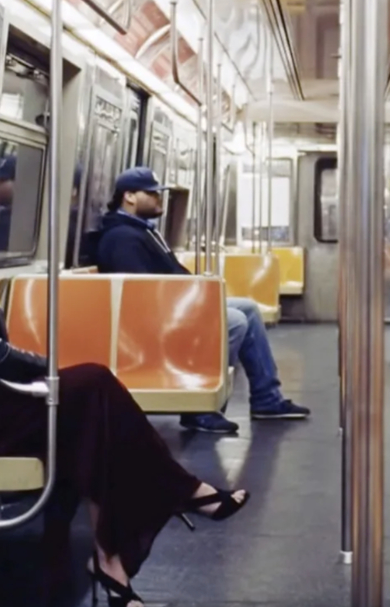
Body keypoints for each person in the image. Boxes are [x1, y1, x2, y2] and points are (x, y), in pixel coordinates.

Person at [0, 168, 249, 607]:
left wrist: (45, 374)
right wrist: (49, 370)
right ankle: (181, 494)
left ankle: (113, 563)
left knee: (92, 425)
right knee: (93, 384)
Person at [94, 167, 309, 434]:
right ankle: (201, 409)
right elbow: (143, 292)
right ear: (130, 196)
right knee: (235, 321)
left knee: (249, 308)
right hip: (155, 318)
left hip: (176, 303)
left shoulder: (142, 231)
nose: (160, 200)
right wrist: (193, 299)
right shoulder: (122, 238)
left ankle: (267, 398)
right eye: (152, 194)